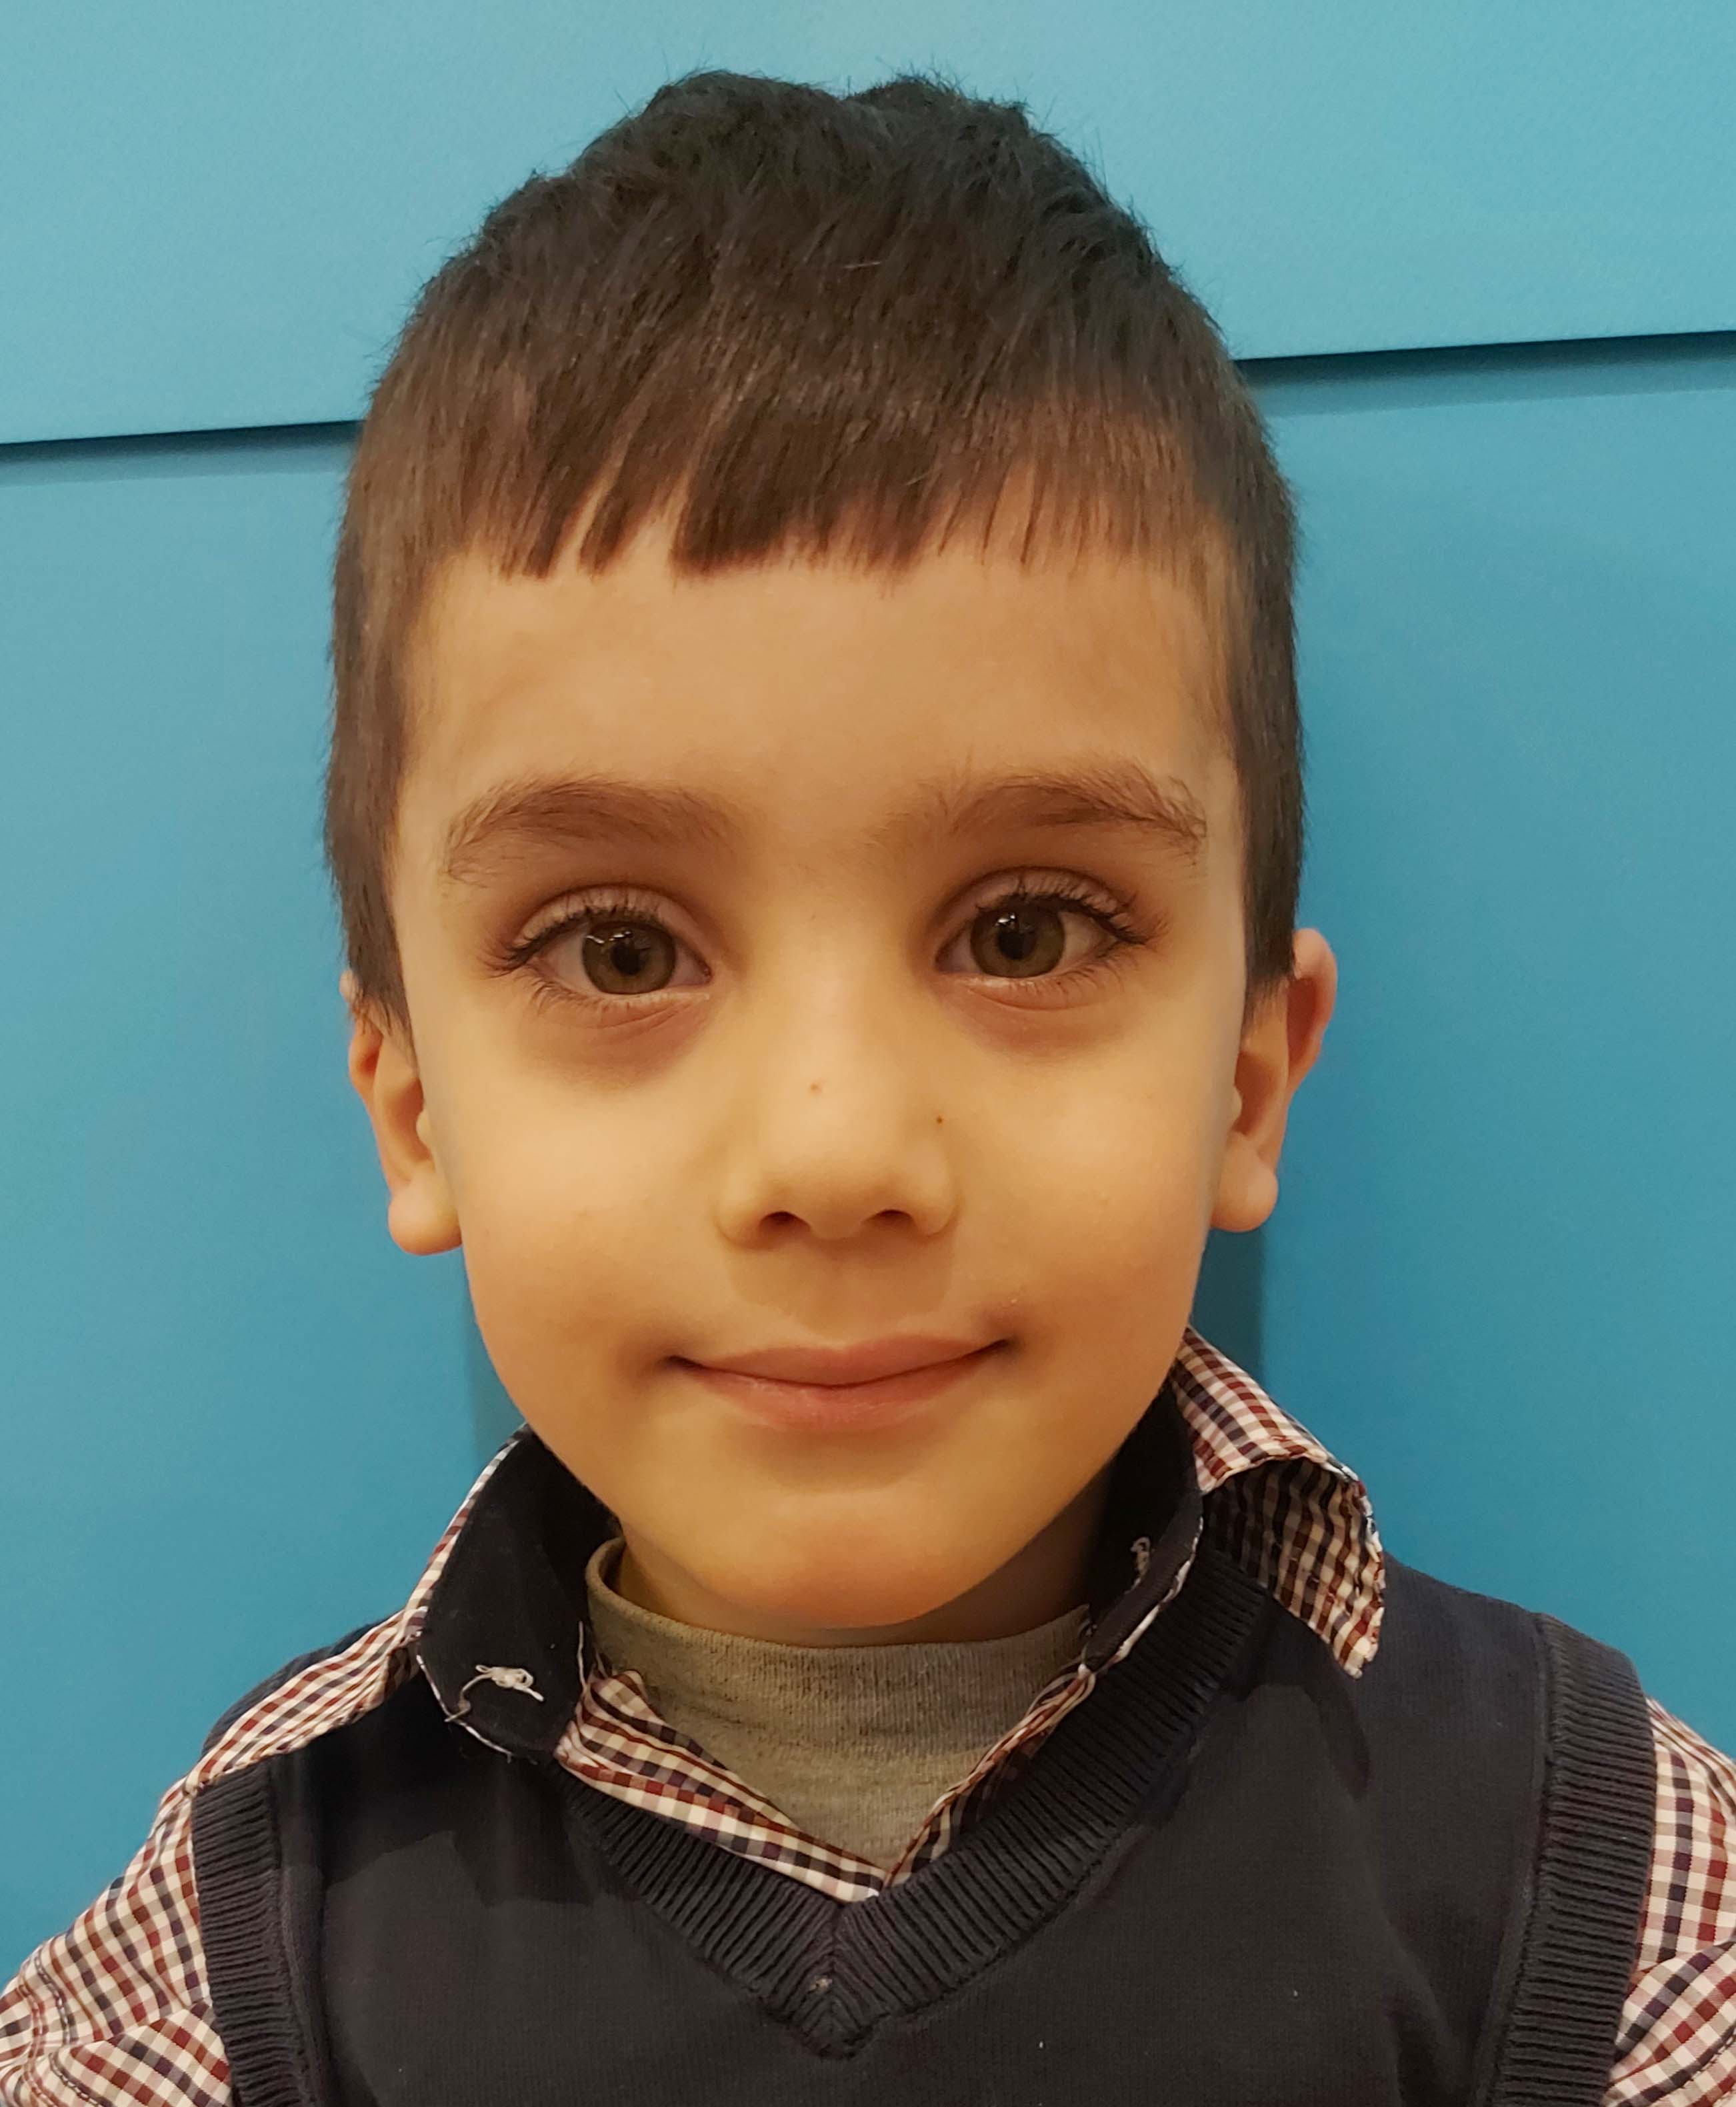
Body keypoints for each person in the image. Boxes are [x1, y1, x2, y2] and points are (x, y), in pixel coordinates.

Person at [3, 66, 1731, 2107]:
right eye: (619, 949)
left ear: (1250, 1074)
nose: (831, 1152)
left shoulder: (1599, 1881)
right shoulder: (239, 1942)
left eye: (1026, 930)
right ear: (410, 1108)